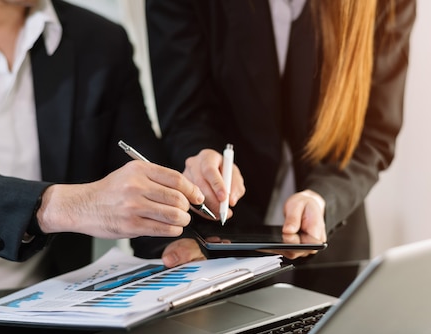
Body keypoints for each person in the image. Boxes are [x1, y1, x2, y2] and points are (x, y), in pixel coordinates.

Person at [0, 0, 208, 298]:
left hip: (51, 309)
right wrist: (54, 205)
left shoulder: (101, 41)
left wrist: (176, 243)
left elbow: (140, 178)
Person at [145, 0, 417, 263]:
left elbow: (375, 135)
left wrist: (323, 197)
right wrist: (202, 157)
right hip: (216, 244)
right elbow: (185, 113)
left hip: (332, 246)